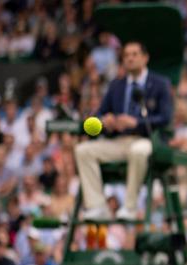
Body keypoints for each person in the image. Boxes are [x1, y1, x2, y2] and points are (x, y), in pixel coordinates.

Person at [74, 40, 173, 221]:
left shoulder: (160, 83)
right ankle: (97, 207)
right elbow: (100, 114)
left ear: (145, 58)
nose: (130, 58)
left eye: (134, 54)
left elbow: (165, 118)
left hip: (146, 139)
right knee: (83, 150)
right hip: (119, 141)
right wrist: (106, 121)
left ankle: (130, 207)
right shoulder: (116, 85)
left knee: (138, 151)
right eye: (126, 55)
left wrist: (136, 123)